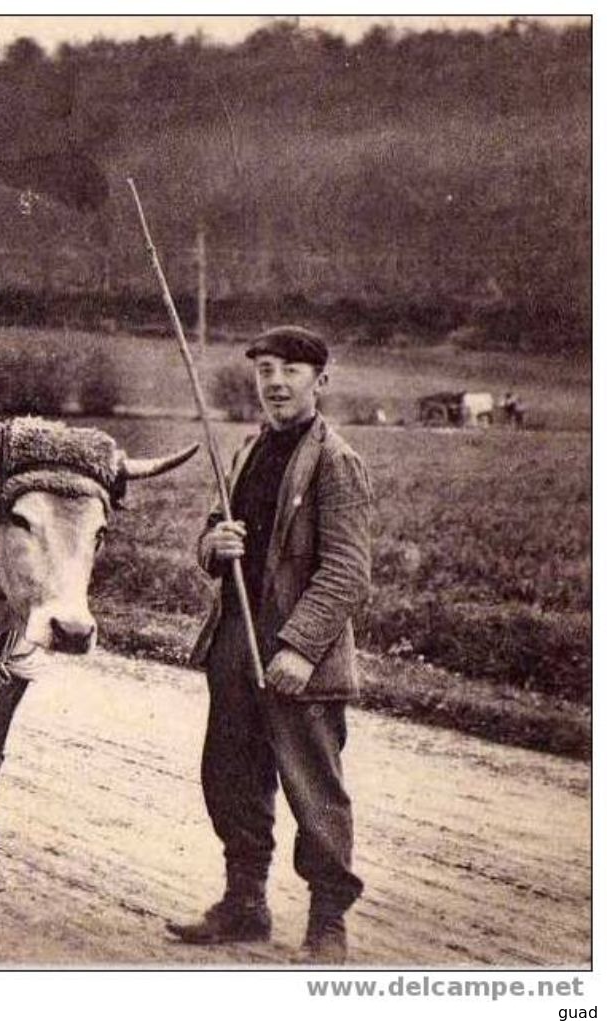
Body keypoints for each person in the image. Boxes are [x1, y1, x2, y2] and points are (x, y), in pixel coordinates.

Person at [166, 325, 375, 964]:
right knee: (230, 777)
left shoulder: (335, 461)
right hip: (235, 641)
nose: (276, 383)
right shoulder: (248, 452)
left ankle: (327, 925)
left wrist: (300, 648)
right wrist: (214, 546)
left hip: (295, 658)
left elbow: (347, 570)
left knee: (313, 788)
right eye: (265, 371)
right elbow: (214, 530)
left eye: (290, 371)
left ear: (320, 381)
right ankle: (244, 905)